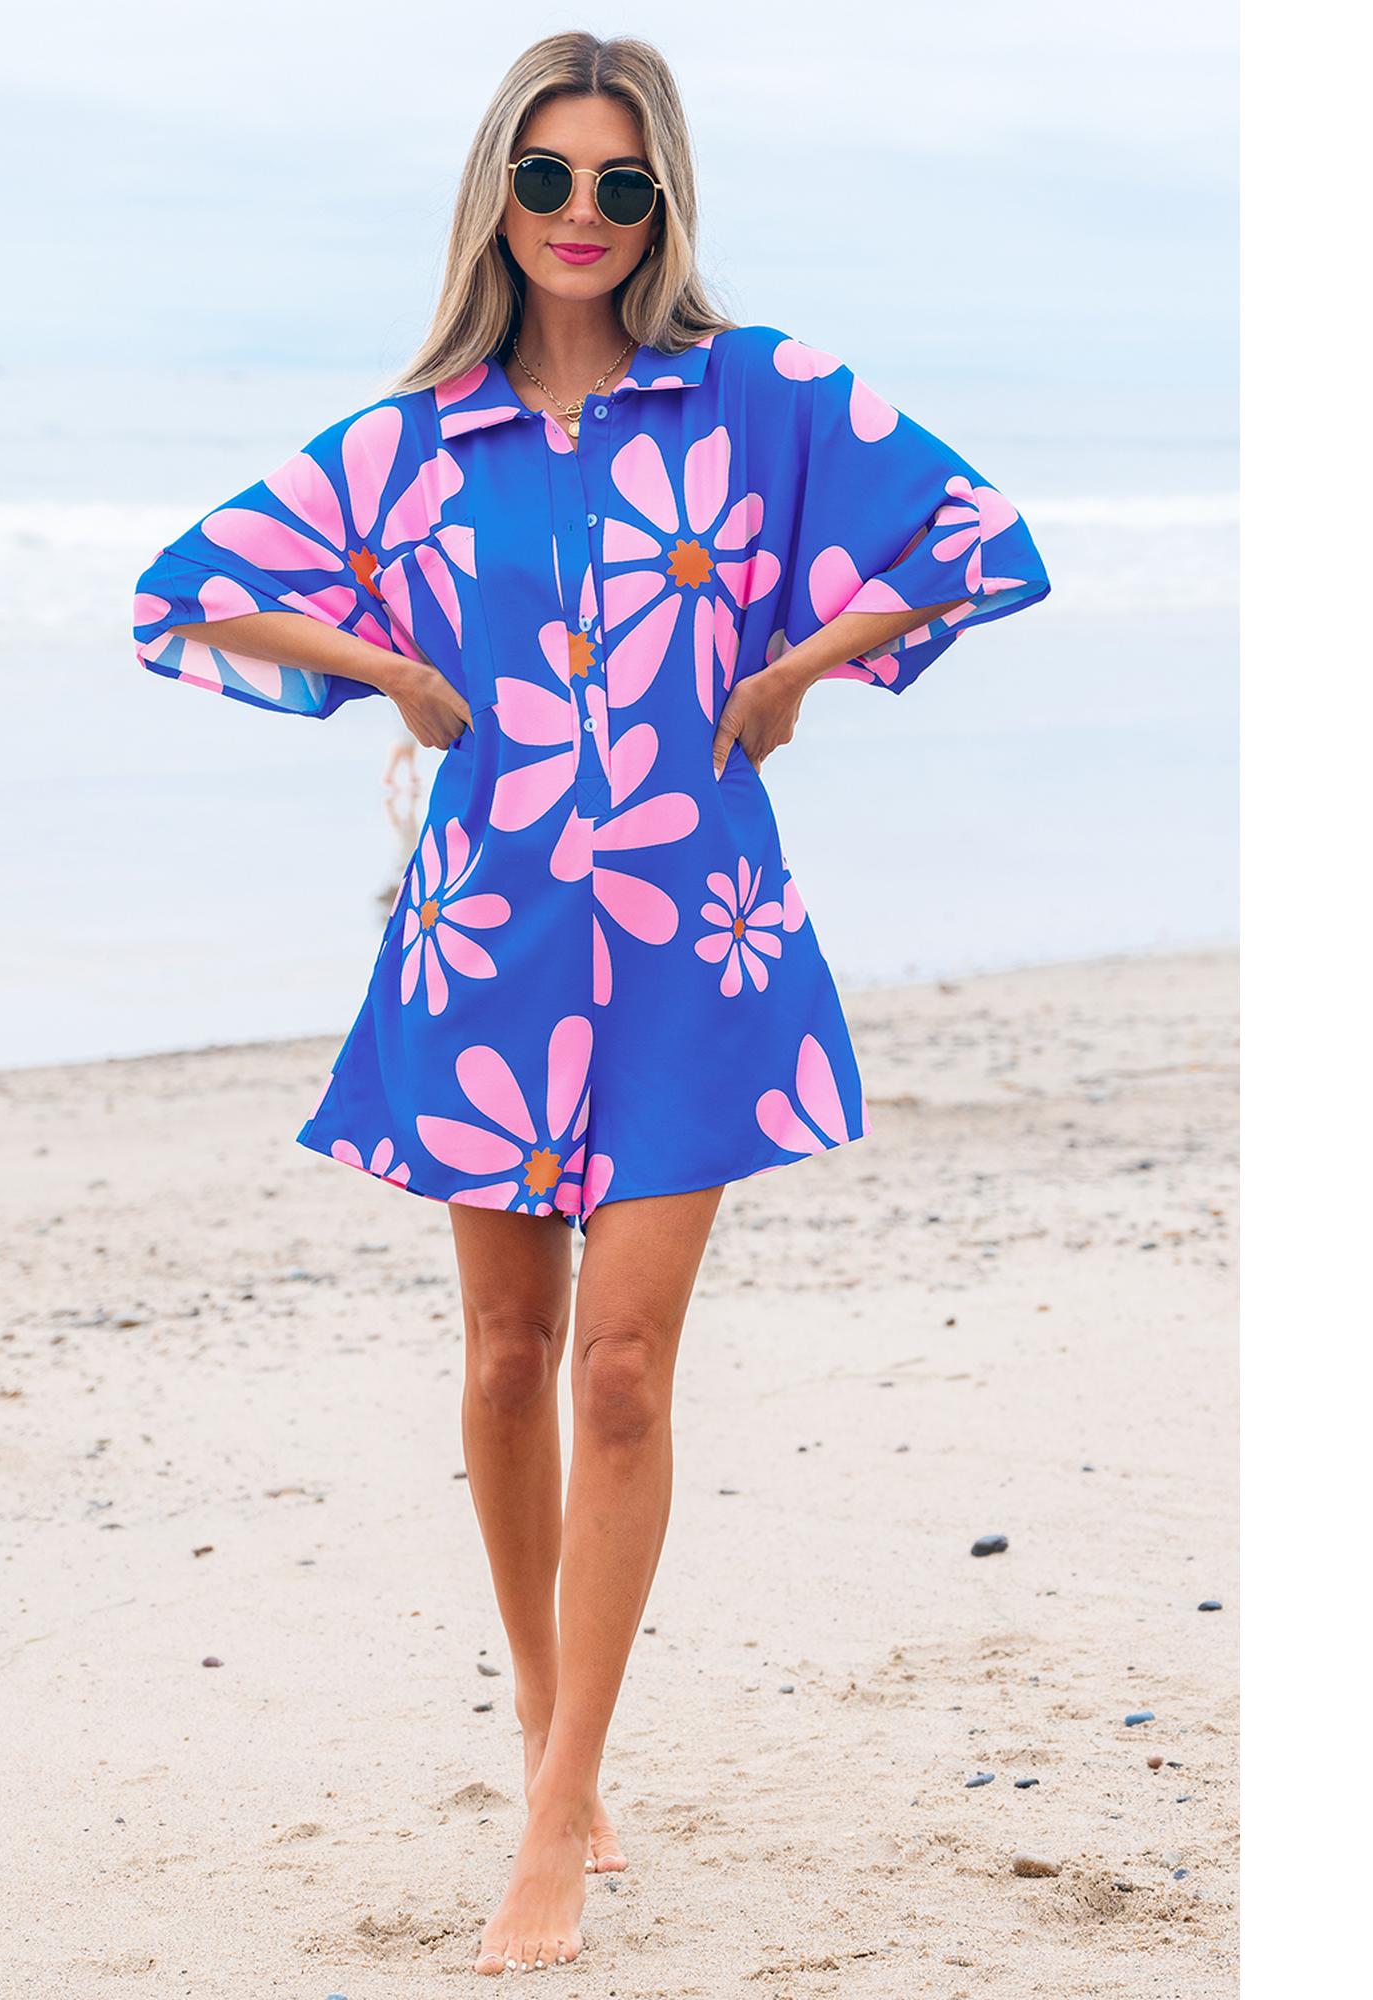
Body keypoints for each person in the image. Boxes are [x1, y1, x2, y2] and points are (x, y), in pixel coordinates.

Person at [130, 29, 1050, 1978]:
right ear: (496, 193)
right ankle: (552, 1727)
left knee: (620, 1370)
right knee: (502, 1357)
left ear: (662, 203)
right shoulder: (412, 440)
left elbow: (975, 544)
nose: (577, 213)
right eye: (543, 176)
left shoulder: (754, 394)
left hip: (692, 932)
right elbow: (183, 593)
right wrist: (388, 672)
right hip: (487, 939)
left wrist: (793, 669)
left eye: (617, 183)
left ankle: (554, 1814)